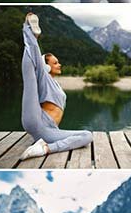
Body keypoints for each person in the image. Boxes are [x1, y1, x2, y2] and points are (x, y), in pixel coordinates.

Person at [21, 11, 92, 155]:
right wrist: (34, 36)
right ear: (46, 66)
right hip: (39, 122)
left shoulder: (55, 84)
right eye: (55, 63)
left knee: (86, 135)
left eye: (58, 62)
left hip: (50, 130)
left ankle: (42, 145)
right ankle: (29, 32)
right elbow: (38, 64)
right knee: (29, 79)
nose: (59, 65)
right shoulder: (44, 77)